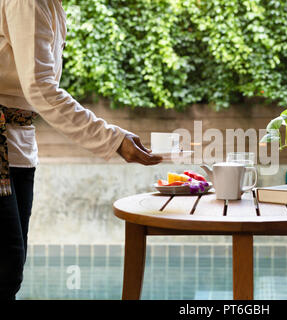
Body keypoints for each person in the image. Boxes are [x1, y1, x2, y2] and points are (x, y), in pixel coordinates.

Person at [0, 0, 162, 300]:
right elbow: (41, 87)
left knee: (9, 266)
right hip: (4, 145)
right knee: (5, 267)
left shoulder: (51, 5)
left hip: (17, 146)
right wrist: (111, 139)